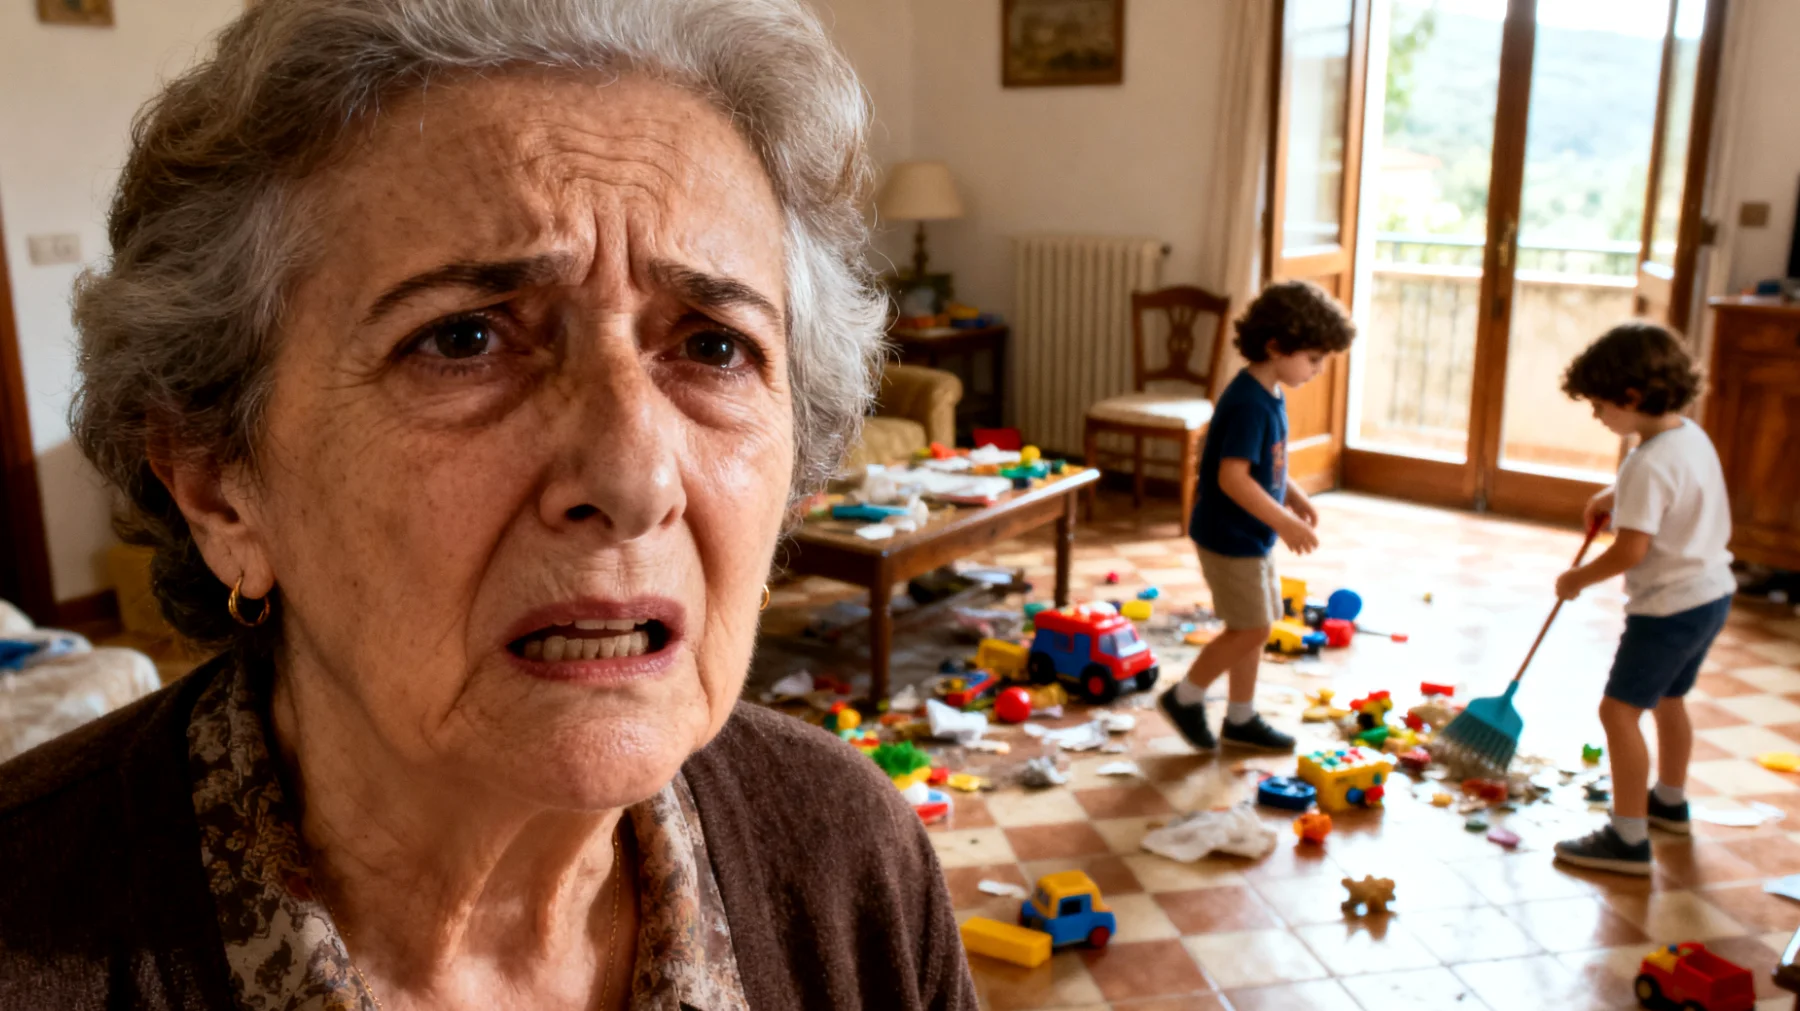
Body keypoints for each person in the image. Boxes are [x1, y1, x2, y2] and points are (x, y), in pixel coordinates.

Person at [0, 2, 977, 1008]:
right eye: (464, 339)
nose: (633, 480)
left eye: (713, 346)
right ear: (217, 483)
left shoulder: (844, 855)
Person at [1550, 321, 1735, 876]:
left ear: (1630, 398)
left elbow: (1631, 549)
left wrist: (1578, 578)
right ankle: (1669, 803)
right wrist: (1616, 494)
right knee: (1670, 700)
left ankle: (1627, 838)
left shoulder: (1644, 463)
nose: (1597, 416)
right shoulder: (1688, 435)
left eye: (1599, 405)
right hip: (1711, 596)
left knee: (1618, 712)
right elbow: (1675, 489)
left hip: (1667, 610)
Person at [1159, 281, 1356, 753]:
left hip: (1251, 533)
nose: (1318, 369)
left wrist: (1293, 495)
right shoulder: (1249, 402)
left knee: (1257, 623)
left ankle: (1240, 718)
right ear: (1275, 346)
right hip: (1229, 535)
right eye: (1313, 358)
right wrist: (1285, 522)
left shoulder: (1269, 392)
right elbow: (1232, 478)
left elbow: (1265, 464)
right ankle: (1185, 697)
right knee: (1252, 627)